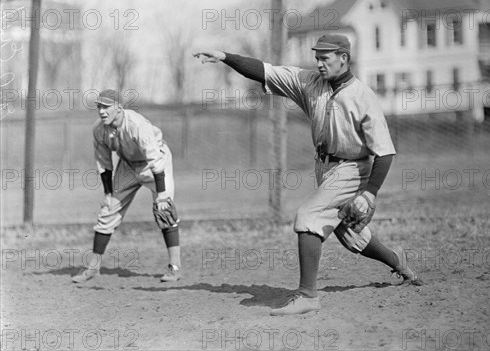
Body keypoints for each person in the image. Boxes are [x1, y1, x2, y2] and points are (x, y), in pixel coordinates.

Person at [193, 34, 421, 316]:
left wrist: (369, 193)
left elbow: (385, 152)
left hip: (352, 168)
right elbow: (265, 70)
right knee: (352, 237)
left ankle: (308, 296)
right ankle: (397, 259)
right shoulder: (310, 83)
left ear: (344, 58)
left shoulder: (363, 97)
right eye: (317, 58)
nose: (319, 63)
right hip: (325, 168)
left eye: (325, 58)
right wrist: (226, 57)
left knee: (308, 217)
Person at [72, 89, 182, 283]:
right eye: (99, 106)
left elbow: (155, 159)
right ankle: (93, 267)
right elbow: (104, 163)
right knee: (108, 211)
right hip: (128, 166)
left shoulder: (136, 124)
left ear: (119, 108)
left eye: (106, 106)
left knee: (164, 211)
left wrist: (162, 194)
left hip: (154, 163)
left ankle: (174, 268)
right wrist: (107, 193)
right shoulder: (99, 129)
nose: (102, 111)